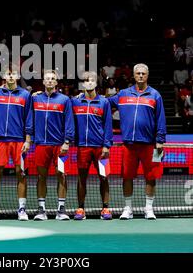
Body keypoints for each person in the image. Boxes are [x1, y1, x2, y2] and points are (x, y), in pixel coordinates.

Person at [108, 63, 166, 220]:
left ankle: (148, 209)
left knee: (151, 176)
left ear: (147, 75)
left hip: (150, 144)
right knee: (127, 176)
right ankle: (128, 208)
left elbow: (160, 119)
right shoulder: (123, 94)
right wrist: (85, 96)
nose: (140, 76)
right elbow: (105, 103)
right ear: (133, 76)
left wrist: (160, 140)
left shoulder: (155, 95)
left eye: (143, 73)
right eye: (138, 73)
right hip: (129, 144)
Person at [0, 65, 33, 221]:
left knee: (21, 174)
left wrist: (28, 139)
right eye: (8, 74)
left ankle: (22, 209)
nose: (11, 76)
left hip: (19, 140)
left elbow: (29, 118)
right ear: (4, 76)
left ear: (18, 77)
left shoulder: (25, 95)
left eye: (14, 74)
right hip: (0, 140)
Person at [32, 70, 74, 220]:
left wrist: (67, 141)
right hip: (41, 144)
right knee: (41, 176)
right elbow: (30, 119)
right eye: (47, 79)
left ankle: (61, 209)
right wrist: (29, 138)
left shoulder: (64, 100)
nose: (50, 81)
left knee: (62, 176)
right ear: (43, 82)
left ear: (56, 82)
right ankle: (41, 209)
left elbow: (69, 121)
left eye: (52, 79)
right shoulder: (35, 99)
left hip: (59, 145)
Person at [72, 71, 113, 220]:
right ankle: (81, 208)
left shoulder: (104, 102)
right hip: (83, 146)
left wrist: (106, 146)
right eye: (86, 80)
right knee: (81, 178)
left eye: (92, 80)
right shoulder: (75, 102)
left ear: (96, 83)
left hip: (100, 147)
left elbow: (108, 125)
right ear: (82, 84)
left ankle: (106, 208)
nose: (89, 82)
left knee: (104, 177)